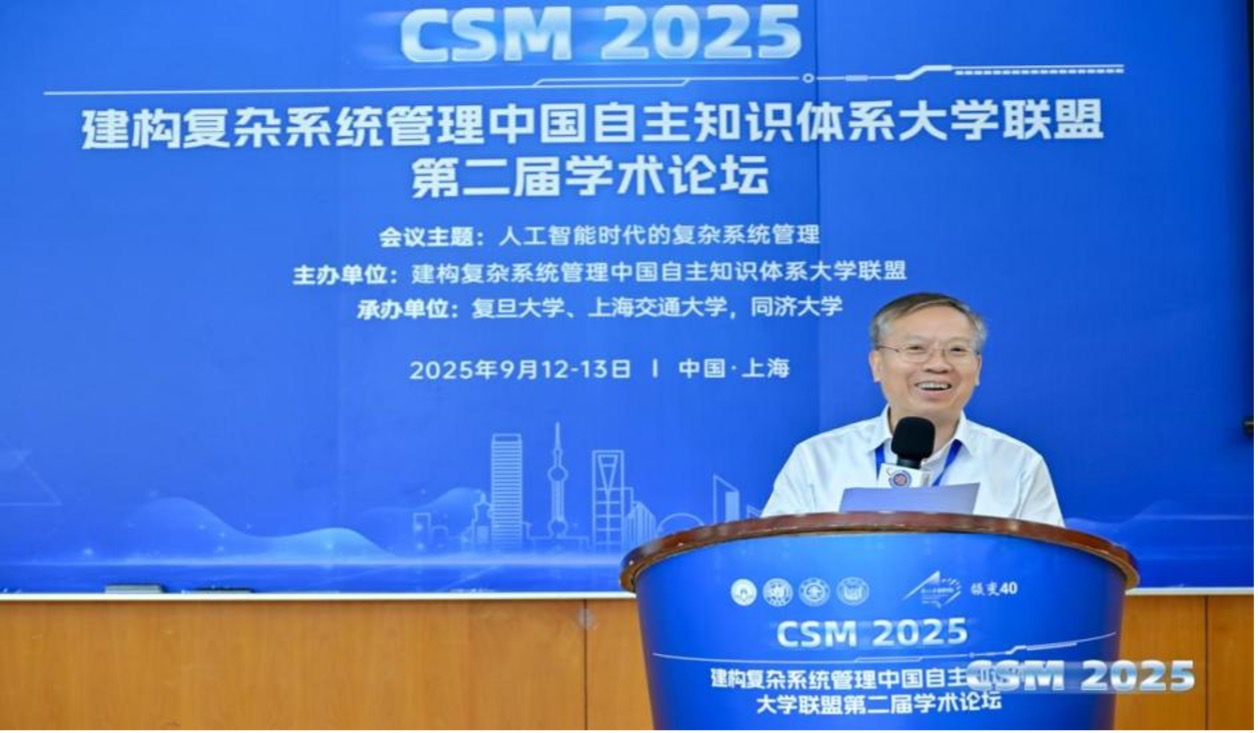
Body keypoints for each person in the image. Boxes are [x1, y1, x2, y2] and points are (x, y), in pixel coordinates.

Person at [762, 292, 1064, 526]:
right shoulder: (817, 459)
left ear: (978, 368)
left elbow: (1046, 567)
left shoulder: (1018, 464)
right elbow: (776, 558)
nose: (938, 364)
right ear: (877, 365)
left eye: (957, 350)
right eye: (916, 349)